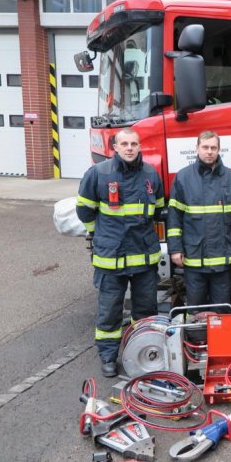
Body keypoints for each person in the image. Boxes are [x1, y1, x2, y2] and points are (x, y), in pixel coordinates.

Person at [76, 128, 165, 377]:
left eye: (133, 144)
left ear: (139, 146)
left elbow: (158, 208)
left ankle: (145, 352)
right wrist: (99, 233)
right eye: (124, 143)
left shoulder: (150, 174)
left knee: (146, 311)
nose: (129, 148)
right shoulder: (99, 173)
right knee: (110, 310)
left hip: (143, 257)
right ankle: (108, 356)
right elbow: (84, 209)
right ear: (114, 147)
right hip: (111, 257)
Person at [167, 131, 231, 316]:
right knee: (195, 311)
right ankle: (195, 343)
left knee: (222, 312)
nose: (209, 152)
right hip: (195, 258)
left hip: (224, 258)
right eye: (205, 147)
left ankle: (221, 345)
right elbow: (175, 217)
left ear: (219, 150)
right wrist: (175, 249)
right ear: (197, 149)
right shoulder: (183, 178)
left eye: (213, 148)